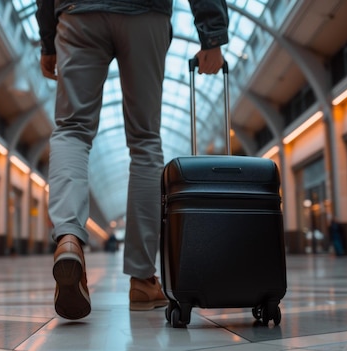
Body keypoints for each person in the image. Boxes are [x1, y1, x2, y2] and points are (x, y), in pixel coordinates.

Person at [36, 0, 229, 320]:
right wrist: (212, 34)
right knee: (145, 141)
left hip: (77, 12)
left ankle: (68, 238)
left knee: (72, 129)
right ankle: (142, 279)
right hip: (146, 12)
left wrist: (47, 39)